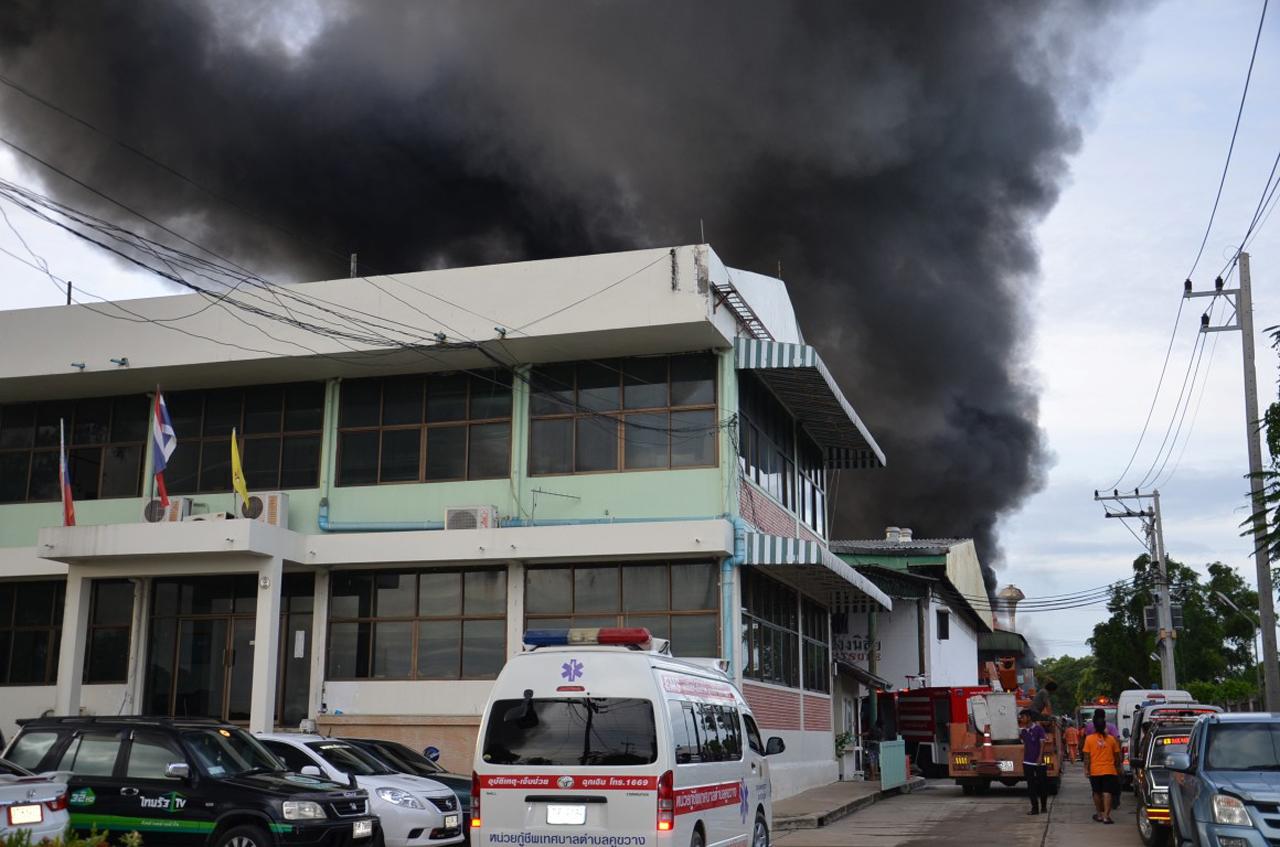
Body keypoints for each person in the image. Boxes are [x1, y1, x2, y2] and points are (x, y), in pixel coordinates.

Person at [1083, 712, 1122, 825]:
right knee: (1107, 793)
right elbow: (1117, 756)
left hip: (1095, 771)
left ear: (1095, 727)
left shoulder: (1089, 739)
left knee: (1096, 792)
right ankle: (1106, 816)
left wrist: (1086, 769)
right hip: (1109, 770)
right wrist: (1117, 767)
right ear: (1105, 726)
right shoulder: (1111, 739)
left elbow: (1086, 757)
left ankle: (1099, 814)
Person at [1019, 709, 1049, 815]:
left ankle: (1044, 806)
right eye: (1020, 717)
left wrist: (1040, 757)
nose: (1021, 719)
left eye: (1023, 717)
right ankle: (1034, 808)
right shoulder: (1023, 731)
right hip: (1027, 762)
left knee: (1042, 785)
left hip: (1039, 762)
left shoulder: (1039, 729)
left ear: (1029, 718)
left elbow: (1042, 743)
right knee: (1031, 786)